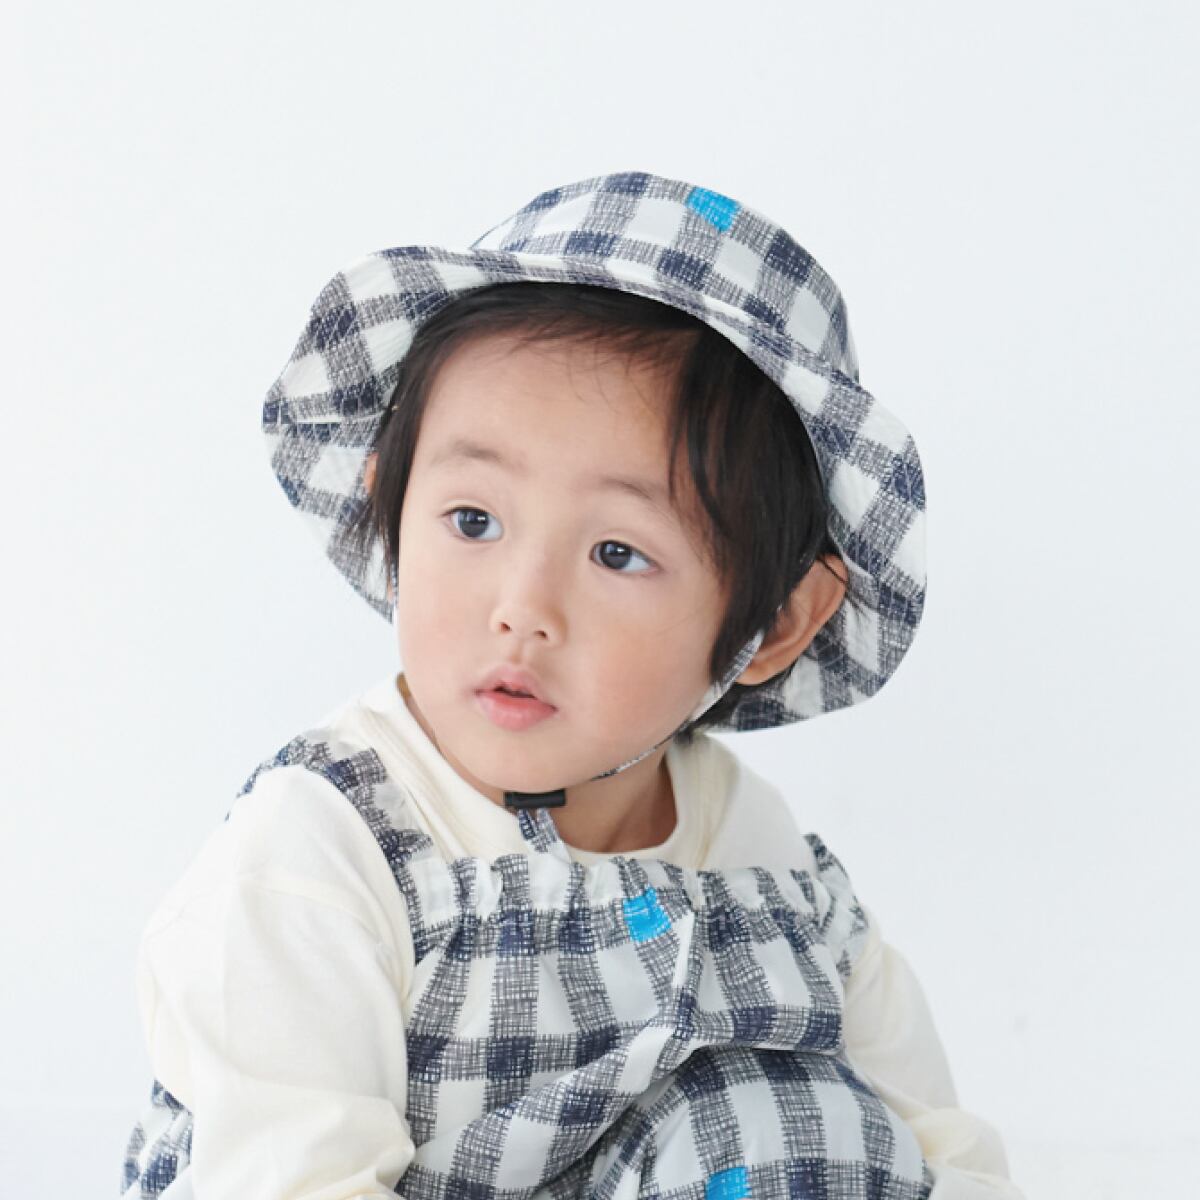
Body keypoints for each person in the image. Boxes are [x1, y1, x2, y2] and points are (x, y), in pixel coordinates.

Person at [120, 171, 1024, 1198]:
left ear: (773, 624)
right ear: (390, 511)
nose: (524, 608)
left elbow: (942, 1147)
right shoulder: (318, 850)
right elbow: (291, 1177)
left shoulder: (762, 860)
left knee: (795, 1123)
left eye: (616, 554)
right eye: (473, 521)